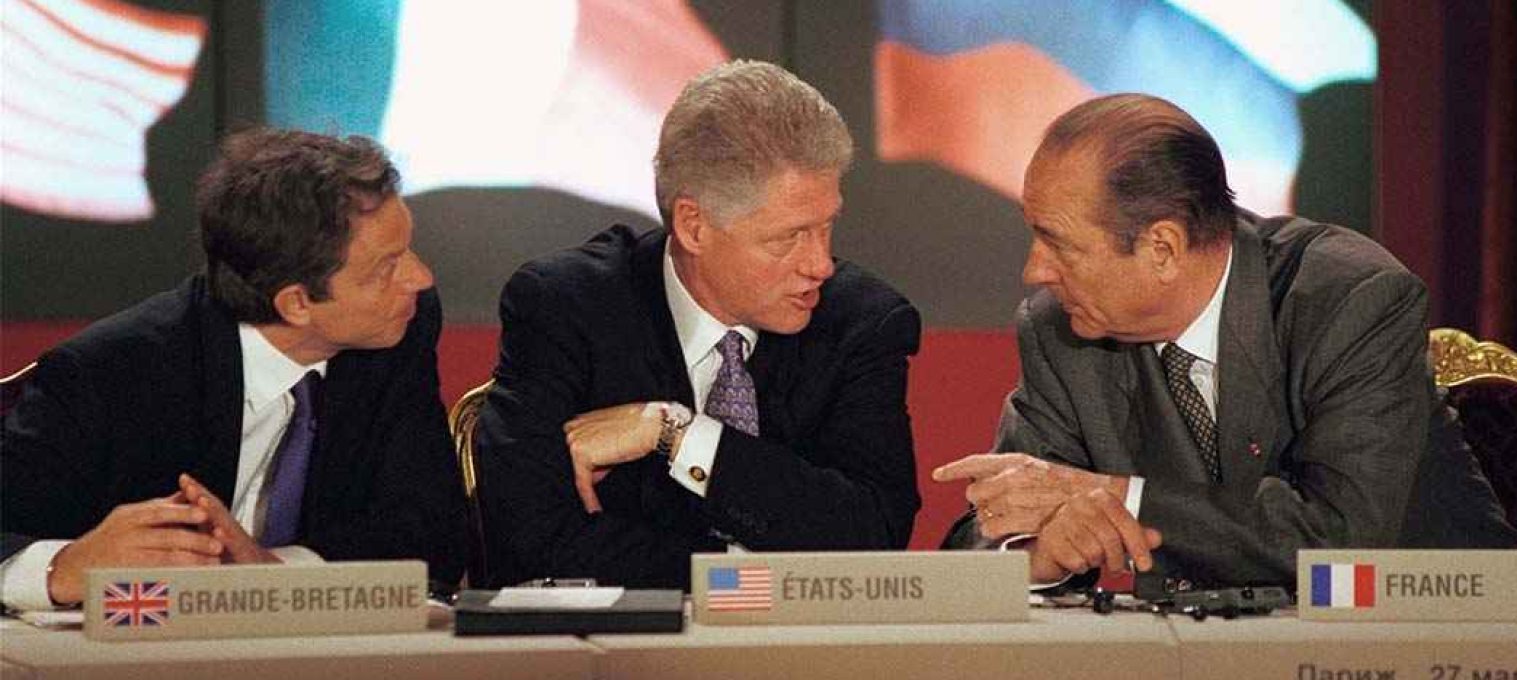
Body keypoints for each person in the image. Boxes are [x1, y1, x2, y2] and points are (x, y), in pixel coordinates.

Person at [934, 94, 1517, 589]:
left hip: (1438, 637)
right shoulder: (1060, 330)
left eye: (1056, 242)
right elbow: (989, 527)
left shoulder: (1348, 299)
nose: (1034, 271)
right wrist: (1035, 554)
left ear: (1162, 248)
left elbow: (1341, 541)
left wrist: (1121, 498)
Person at [476, 60, 922, 589]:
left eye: (828, 227)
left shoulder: (862, 322)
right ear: (693, 225)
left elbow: (873, 536)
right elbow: (530, 539)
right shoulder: (567, 307)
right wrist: (743, 580)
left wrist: (676, 432)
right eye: (789, 237)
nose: (820, 264)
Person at [1, 129, 466, 609]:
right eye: (387, 267)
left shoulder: (398, 328)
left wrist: (274, 572)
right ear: (297, 303)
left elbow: (430, 531)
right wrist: (65, 568)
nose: (421, 277)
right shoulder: (112, 374)